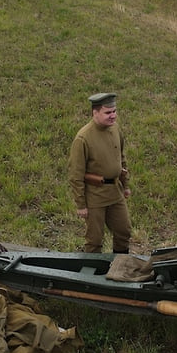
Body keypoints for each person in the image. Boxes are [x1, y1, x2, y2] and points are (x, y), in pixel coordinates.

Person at [68, 92, 132, 254]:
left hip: (115, 192)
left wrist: (125, 186)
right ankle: (93, 275)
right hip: (95, 196)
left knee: (124, 231)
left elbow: (122, 159)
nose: (113, 116)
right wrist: (81, 204)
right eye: (108, 112)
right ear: (95, 113)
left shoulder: (115, 129)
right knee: (94, 240)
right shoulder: (83, 138)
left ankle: (120, 265)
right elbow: (76, 175)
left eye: (114, 111)